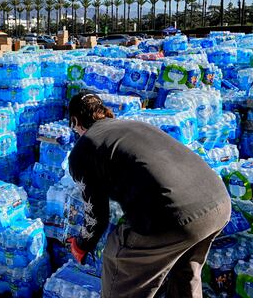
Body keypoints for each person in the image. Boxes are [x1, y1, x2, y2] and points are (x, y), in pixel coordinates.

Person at [66, 92, 231, 298]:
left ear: (75, 121)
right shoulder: (133, 126)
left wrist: (82, 245)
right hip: (218, 202)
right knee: (185, 274)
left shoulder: (85, 147)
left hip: (175, 214)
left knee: (119, 258)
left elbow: (96, 215)